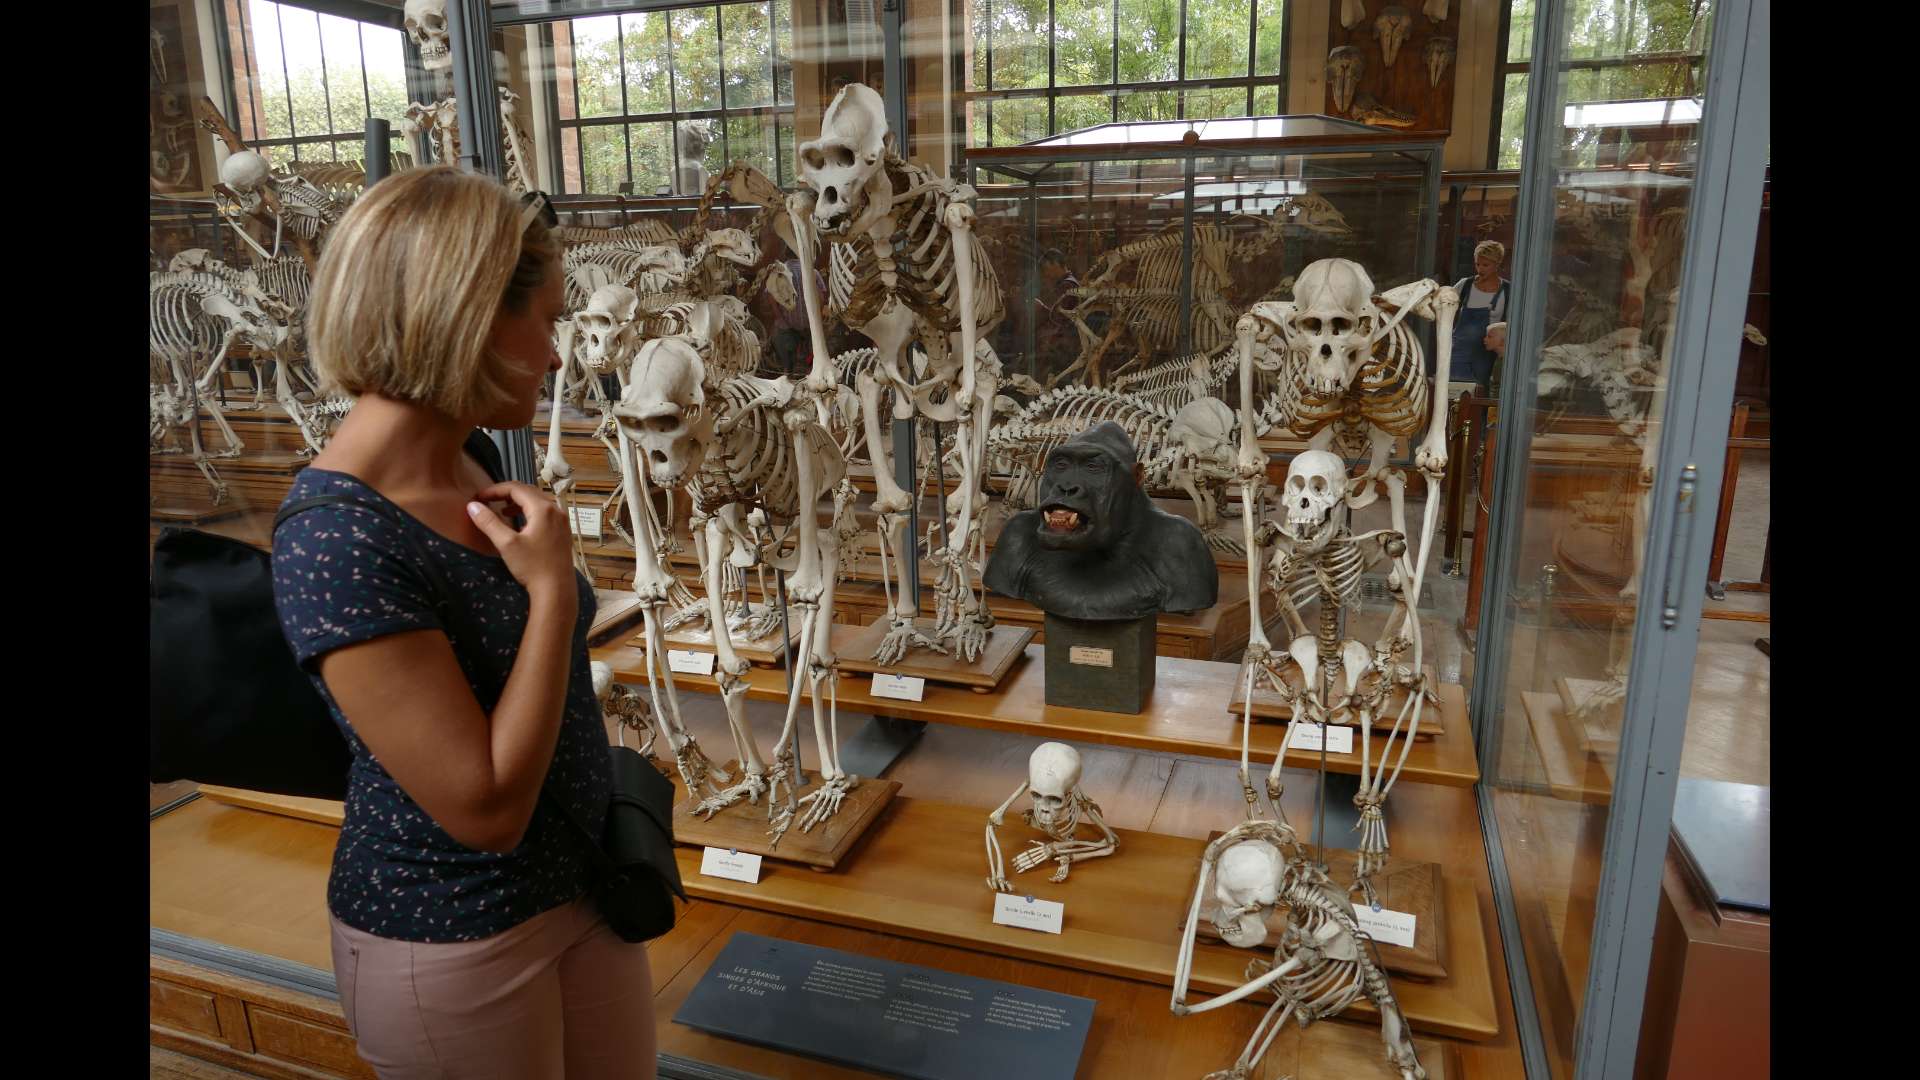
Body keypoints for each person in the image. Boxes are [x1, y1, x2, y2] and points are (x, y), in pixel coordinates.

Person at [271, 167, 655, 1080]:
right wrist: (554, 593)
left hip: (581, 885)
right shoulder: (337, 538)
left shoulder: (470, 454)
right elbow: (482, 810)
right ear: (466, 316)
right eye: (546, 323)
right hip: (455, 931)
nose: (558, 358)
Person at [1450, 240, 1510, 387]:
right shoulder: (1464, 285)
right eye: (1477, 264)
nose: (1480, 269)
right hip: (1458, 352)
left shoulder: (1508, 290)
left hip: (1486, 355)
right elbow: (1444, 307)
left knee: (1480, 394)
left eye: (1485, 265)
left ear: (1498, 264)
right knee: (1453, 392)